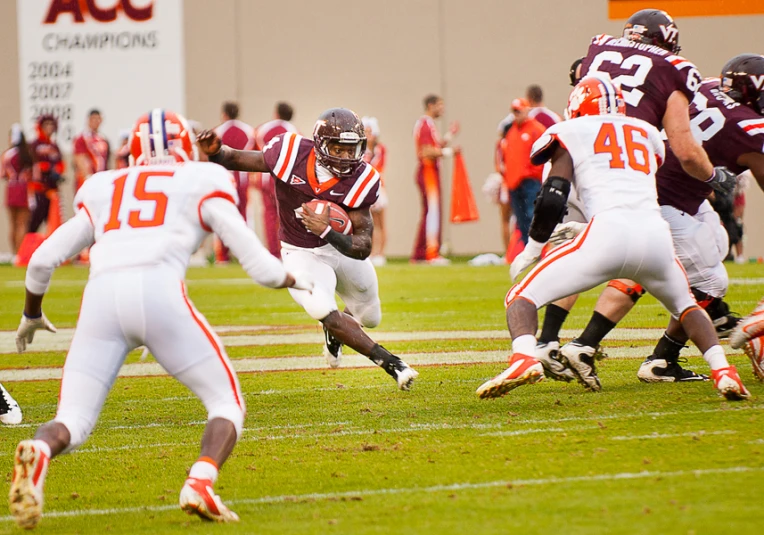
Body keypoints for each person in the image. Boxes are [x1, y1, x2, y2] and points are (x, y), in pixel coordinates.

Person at [8, 108, 316, 528]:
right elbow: (260, 267)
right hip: (159, 294)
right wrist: (295, 278)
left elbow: (42, 260)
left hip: (100, 300)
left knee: (72, 421)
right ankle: (200, 481)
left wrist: (31, 313)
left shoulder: (106, 186)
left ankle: (40, 451)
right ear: (184, 146)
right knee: (226, 402)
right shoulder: (201, 179)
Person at [476, 76, 749, 402]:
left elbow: (553, 195)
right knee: (686, 306)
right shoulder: (646, 132)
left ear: (577, 106)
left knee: (521, 296)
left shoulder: (570, 130)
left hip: (607, 234)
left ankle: (524, 357)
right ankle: (723, 370)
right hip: (657, 236)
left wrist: (533, 246)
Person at [532, 9, 738, 383]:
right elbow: (685, 147)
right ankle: (680, 349)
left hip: (574, 156)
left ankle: (547, 339)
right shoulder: (674, 68)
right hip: (621, 168)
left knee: (577, 252)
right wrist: (714, 176)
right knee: (665, 258)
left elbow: (578, 80)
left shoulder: (600, 48)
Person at [197, 107, 419, 389]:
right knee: (322, 308)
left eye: (352, 150)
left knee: (371, 317)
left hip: (339, 249)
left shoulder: (362, 178)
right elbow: (236, 158)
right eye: (339, 149)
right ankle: (393, 364)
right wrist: (217, 152)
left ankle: (334, 332)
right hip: (300, 252)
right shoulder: (290, 154)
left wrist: (327, 230)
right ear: (321, 144)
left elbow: (363, 246)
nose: (346, 157)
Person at [411, 94, 459, 264]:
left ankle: (420, 253)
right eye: (439, 105)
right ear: (430, 106)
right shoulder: (425, 124)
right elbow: (426, 151)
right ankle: (431, 253)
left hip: (430, 172)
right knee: (432, 213)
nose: (442, 109)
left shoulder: (428, 125)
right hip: (428, 171)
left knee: (430, 212)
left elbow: (435, 145)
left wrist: (450, 136)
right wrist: (449, 152)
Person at [254, 102, 299, 258]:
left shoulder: (263, 129)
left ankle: (273, 252)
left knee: (269, 215)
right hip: (285, 178)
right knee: (286, 215)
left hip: (266, 177)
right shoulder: (293, 131)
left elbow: (254, 153)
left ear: (276, 113)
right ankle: (286, 249)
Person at [214, 102, 256, 264]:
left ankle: (223, 256)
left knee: (223, 217)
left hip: (224, 181)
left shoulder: (218, 131)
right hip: (242, 181)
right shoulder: (248, 131)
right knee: (243, 218)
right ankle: (244, 254)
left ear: (224, 114)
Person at [501, 98, 546, 244]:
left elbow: (543, 155)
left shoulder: (536, 129)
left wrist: (535, 173)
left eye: (519, 111)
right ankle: (528, 248)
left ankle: (537, 249)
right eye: (514, 111)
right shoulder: (511, 131)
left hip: (530, 181)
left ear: (527, 110)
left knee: (532, 215)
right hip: (514, 182)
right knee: (521, 219)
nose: (516, 114)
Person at [28, 115, 64, 234]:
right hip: (38, 189)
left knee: (53, 221)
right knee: (34, 221)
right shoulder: (34, 145)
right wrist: (45, 168)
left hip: (52, 190)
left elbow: (61, 164)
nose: (49, 127)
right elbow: (31, 164)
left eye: (51, 125)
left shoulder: (54, 146)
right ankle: (27, 248)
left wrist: (57, 171)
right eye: (46, 125)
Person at [1, 124, 33, 256]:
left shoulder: (6, 155)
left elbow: (2, 174)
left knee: (13, 224)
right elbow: (34, 175)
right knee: (22, 224)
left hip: (11, 189)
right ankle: (20, 254)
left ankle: (15, 253)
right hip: (23, 189)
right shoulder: (27, 154)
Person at [362, 116, 388, 266]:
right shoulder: (360, 150)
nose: (368, 135)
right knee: (367, 223)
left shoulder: (380, 149)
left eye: (370, 132)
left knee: (381, 223)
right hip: (365, 190)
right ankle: (370, 253)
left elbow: (378, 167)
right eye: (365, 132)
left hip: (378, 188)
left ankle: (381, 253)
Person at [72, 109, 110, 192]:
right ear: (88, 120)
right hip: (87, 179)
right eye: (93, 119)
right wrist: (88, 177)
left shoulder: (103, 139)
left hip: (101, 178)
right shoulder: (82, 138)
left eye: (98, 119)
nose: (96, 121)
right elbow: (80, 158)